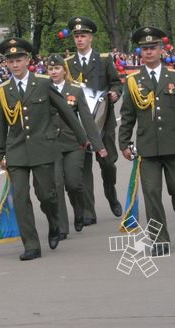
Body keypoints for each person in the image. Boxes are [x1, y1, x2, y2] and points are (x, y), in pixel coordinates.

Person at [0, 37, 89, 261]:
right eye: (10, 61)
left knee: (46, 195)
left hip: (43, 147)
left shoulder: (44, 83)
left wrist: (81, 137)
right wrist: (0, 151)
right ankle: (31, 245)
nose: (15, 64)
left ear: (28, 60)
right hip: (16, 150)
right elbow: (1, 123)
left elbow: (65, 110)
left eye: (19, 59)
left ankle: (54, 223)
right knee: (20, 198)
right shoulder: (3, 90)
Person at [119, 26, 175, 257]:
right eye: (144, 48)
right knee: (151, 193)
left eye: (153, 47)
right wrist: (124, 142)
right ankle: (159, 239)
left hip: (174, 144)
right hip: (148, 147)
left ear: (161, 49)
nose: (148, 52)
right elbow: (127, 114)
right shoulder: (132, 81)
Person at [64, 16, 123, 224]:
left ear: (91, 38)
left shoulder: (104, 60)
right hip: (78, 123)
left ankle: (111, 196)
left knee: (107, 164)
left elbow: (116, 83)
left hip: (102, 121)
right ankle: (89, 211)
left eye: (83, 36)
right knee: (83, 169)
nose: (80, 39)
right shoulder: (67, 64)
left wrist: (115, 93)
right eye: (77, 36)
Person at [46, 54, 106, 240]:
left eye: (57, 68)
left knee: (73, 183)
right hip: (51, 145)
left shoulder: (76, 90)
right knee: (56, 185)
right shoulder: (42, 89)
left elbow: (87, 119)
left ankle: (80, 210)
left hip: (74, 143)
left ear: (65, 70)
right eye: (50, 68)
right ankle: (62, 228)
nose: (53, 71)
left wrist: (98, 145)